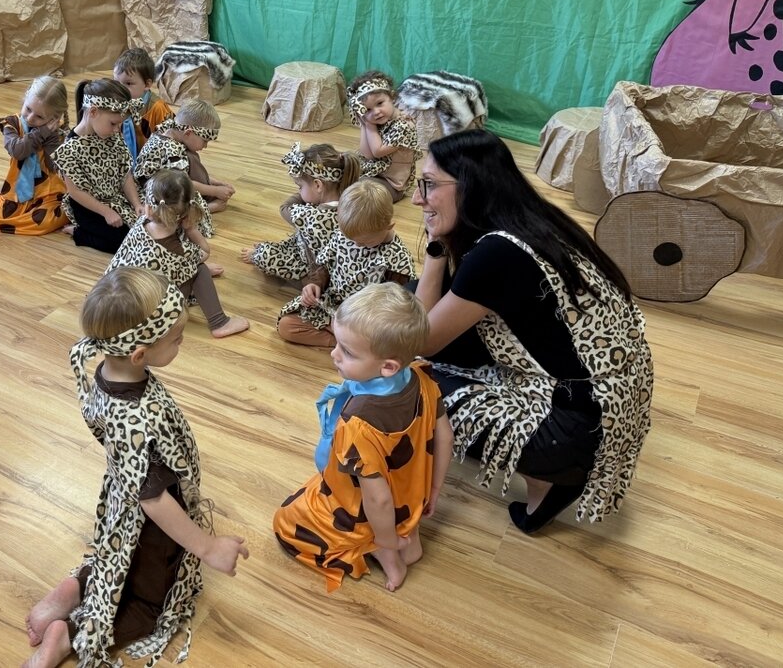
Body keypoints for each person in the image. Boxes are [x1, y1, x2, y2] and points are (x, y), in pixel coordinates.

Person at [412, 129, 654, 533]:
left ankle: (548, 478)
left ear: (471, 186)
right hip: (611, 399)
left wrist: (435, 248)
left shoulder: (494, 254)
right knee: (416, 302)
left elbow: (420, 341)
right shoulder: (534, 219)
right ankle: (558, 463)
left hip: (574, 423)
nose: (417, 199)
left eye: (429, 184)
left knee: (412, 381)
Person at [23, 268, 249, 668]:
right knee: (149, 604)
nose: (182, 342)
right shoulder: (138, 419)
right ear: (139, 354)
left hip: (119, 494)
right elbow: (154, 500)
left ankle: (76, 588)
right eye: (176, 338)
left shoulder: (106, 370)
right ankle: (68, 637)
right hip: (149, 524)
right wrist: (207, 546)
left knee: (117, 562)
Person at [273, 283, 452, 592]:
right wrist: (433, 491)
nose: (334, 354)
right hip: (413, 493)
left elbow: (378, 499)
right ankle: (410, 537)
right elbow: (445, 438)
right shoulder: (422, 377)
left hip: (370, 510)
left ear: (388, 367)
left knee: (286, 523)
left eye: (347, 351)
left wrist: (387, 541)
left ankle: (386, 553)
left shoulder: (358, 424)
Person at [277, 179, 416, 348]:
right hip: (331, 308)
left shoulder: (398, 262)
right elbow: (324, 265)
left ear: (389, 226)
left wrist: (351, 321)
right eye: (352, 239)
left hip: (362, 321)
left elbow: (392, 311)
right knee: (286, 326)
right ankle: (344, 343)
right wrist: (315, 284)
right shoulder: (344, 235)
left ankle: (349, 341)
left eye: (365, 242)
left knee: (383, 338)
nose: (357, 245)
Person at [110, 170, 249, 338]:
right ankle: (219, 322)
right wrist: (191, 229)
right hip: (148, 317)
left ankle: (187, 269)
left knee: (192, 264)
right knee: (200, 270)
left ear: (149, 207)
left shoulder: (142, 222)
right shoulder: (179, 249)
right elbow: (205, 251)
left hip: (121, 302)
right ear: (186, 212)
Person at [243, 142, 361, 283]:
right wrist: (308, 189)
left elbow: (285, 207)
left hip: (313, 272)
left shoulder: (311, 217)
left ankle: (302, 280)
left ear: (318, 185)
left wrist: (305, 193)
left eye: (300, 186)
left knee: (265, 254)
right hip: (328, 263)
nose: (299, 191)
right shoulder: (351, 204)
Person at [53, 78, 143, 253]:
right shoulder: (69, 149)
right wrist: (106, 212)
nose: (117, 129)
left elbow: (125, 174)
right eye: (113, 123)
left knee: (152, 224)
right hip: (89, 208)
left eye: (120, 124)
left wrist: (136, 203)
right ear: (93, 112)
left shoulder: (113, 135)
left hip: (116, 197)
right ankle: (79, 233)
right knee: (125, 244)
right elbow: (76, 192)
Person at [0, 75, 69, 235]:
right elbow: (18, 151)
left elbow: (54, 166)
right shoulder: (11, 123)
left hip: (46, 192)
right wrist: (41, 132)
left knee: (53, 219)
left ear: (54, 118)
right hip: (16, 191)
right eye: (28, 109)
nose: (30, 118)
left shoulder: (52, 131)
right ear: (26, 96)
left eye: (39, 116)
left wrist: (54, 137)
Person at [134, 99, 234, 214]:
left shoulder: (168, 132)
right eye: (205, 141)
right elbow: (183, 185)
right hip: (154, 197)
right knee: (178, 206)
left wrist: (215, 183)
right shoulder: (172, 152)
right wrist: (215, 191)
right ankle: (208, 208)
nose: (205, 146)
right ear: (188, 133)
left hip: (163, 185)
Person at [346, 70, 420, 202]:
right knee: (344, 170)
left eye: (380, 103)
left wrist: (369, 126)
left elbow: (377, 152)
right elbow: (367, 154)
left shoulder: (404, 126)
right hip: (372, 174)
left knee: (361, 190)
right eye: (367, 110)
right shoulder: (377, 122)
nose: (376, 112)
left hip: (391, 185)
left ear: (392, 97)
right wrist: (364, 124)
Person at [112, 47, 175, 164]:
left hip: (151, 163)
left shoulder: (157, 108)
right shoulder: (113, 104)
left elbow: (171, 140)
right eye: (116, 82)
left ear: (147, 84)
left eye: (128, 83)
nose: (119, 89)